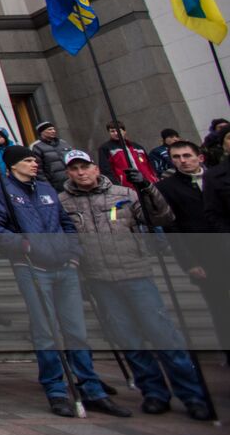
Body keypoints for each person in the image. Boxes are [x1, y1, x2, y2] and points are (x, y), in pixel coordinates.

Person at [58, 150, 212, 420]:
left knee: (164, 336)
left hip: (135, 273)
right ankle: (153, 391)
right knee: (128, 339)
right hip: (99, 279)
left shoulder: (124, 194)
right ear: (68, 173)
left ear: (96, 168)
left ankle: (192, 394)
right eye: (74, 169)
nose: (80, 173)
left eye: (85, 167)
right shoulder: (62, 202)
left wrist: (146, 187)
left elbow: (161, 217)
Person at [0, 144, 129, 418]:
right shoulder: (0, 190)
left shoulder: (47, 189)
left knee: (76, 331)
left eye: (35, 160)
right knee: (46, 331)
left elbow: (66, 222)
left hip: (64, 266)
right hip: (31, 267)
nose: (34, 164)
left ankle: (91, 388)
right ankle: (56, 390)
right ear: (13, 165)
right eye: (28, 160)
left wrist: (73, 254)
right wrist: (23, 246)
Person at [156, 140, 230, 356]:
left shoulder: (218, 178)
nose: (183, 161)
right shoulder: (166, 188)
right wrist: (189, 262)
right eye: (177, 157)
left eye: (187, 155)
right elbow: (172, 228)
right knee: (221, 307)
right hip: (205, 255)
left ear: (200, 157)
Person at [97, 121, 154, 189]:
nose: (116, 133)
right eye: (112, 131)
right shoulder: (105, 148)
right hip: (127, 187)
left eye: (119, 130)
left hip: (148, 184)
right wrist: (118, 186)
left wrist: (153, 179)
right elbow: (106, 170)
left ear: (124, 131)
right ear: (109, 133)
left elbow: (149, 166)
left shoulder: (138, 147)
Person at [28, 122, 75, 188]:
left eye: (53, 129)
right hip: (54, 185)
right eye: (49, 129)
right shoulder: (36, 146)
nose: (53, 131)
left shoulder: (63, 143)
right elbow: (38, 170)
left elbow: (74, 158)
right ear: (42, 132)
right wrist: (47, 186)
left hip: (72, 181)